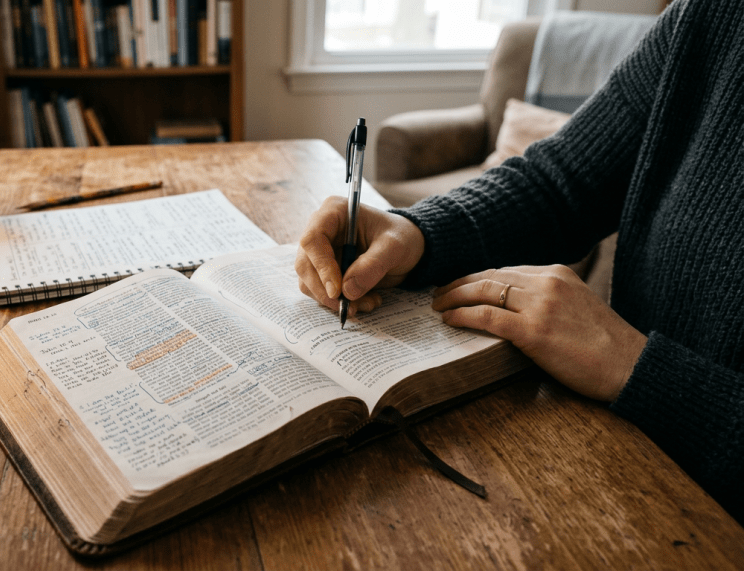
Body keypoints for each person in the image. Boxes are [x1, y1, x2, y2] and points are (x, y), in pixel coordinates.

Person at [295, 0, 742, 522]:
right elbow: (558, 183)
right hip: (620, 454)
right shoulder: (710, 16)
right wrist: (418, 231)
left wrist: (635, 366)